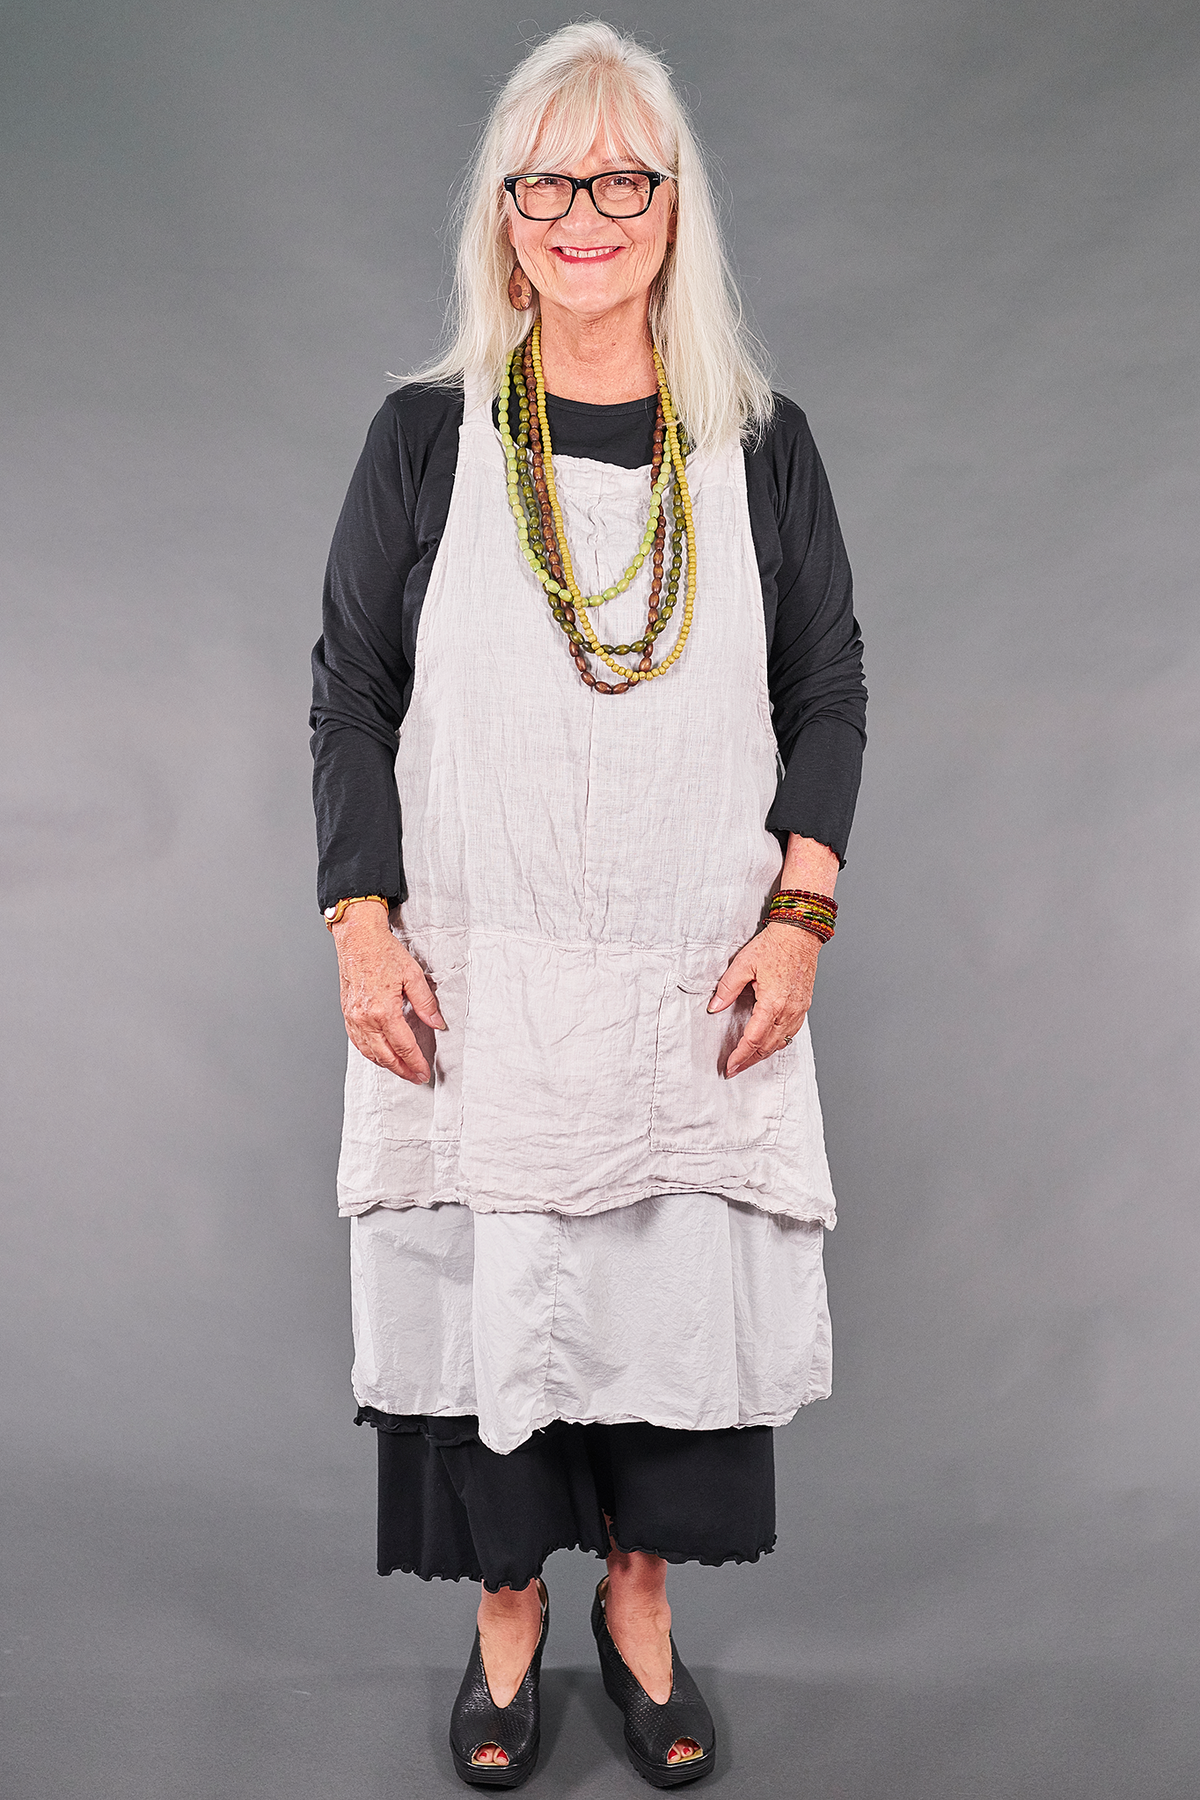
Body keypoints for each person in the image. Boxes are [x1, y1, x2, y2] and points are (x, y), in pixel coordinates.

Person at [310, 20, 866, 1789]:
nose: (584, 216)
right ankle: (504, 1612)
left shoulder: (758, 447)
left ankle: (636, 1604)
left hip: (688, 978)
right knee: (496, 1296)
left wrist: (799, 919)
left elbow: (828, 690)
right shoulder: (427, 439)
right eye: (547, 182)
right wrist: (362, 923)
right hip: (475, 978)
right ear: (504, 216)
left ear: (673, 210)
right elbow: (349, 694)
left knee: (658, 1298)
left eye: (621, 180)